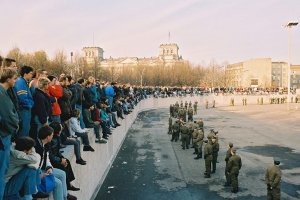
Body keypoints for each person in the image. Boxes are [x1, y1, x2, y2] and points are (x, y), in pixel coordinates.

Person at [35, 125, 77, 200]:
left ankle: (65, 196)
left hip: (45, 169)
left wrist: (49, 167)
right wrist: (40, 174)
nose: (52, 136)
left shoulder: (46, 144)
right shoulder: (36, 147)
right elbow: (34, 165)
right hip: (38, 172)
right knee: (58, 183)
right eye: (51, 135)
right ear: (48, 137)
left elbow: (47, 159)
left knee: (62, 174)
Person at [0, 69, 20, 200]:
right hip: (3, 137)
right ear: (8, 79)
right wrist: (16, 126)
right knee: (2, 171)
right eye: (14, 78)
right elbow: (9, 117)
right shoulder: (2, 94)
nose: (15, 81)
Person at [48, 122, 80, 191]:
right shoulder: (50, 141)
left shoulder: (57, 137)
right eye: (60, 129)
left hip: (56, 158)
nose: (62, 129)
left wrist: (62, 158)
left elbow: (57, 151)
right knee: (62, 167)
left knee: (67, 161)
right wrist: (60, 160)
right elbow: (50, 156)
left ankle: (69, 184)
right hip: (51, 161)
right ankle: (68, 186)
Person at [14, 65, 34, 137]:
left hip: (26, 110)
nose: (32, 75)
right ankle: (23, 147)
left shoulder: (24, 82)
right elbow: (22, 98)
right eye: (31, 73)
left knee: (26, 129)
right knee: (24, 130)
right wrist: (31, 104)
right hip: (24, 110)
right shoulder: (20, 82)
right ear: (25, 74)